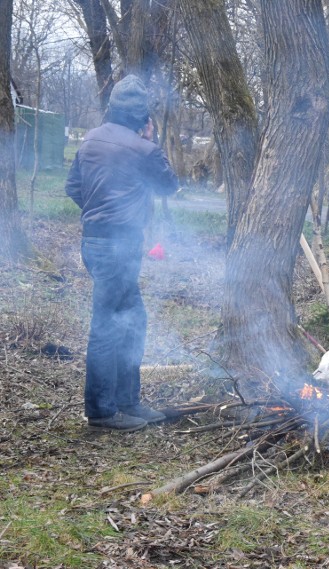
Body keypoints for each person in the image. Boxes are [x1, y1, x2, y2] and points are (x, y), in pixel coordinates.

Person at [66, 74, 179, 432]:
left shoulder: (90, 140)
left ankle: (127, 402)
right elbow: (169, 186)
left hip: (96, 243)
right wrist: (149, 141)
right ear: (141, 117)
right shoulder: (143, 148)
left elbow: (72, 187)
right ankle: (100, 412)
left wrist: (97, 214)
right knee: (107, 326)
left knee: (131, 321)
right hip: (119, 246)